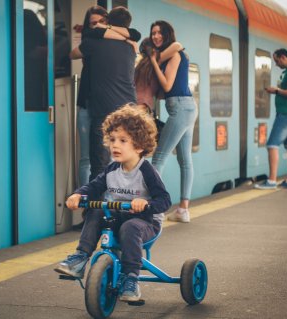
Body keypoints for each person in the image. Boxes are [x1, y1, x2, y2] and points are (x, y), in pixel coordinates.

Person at [54, 105, 171, 302]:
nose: (115, 145)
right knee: (96, 211)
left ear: (139, 146)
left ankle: (131, 278)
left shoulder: (147, 172)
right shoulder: (112, 169)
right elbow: (93, 187)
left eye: (123, 141)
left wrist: (146, 203)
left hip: (146, 222)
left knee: (130, 226)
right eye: (112, 140)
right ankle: (80, 258)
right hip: (118, 217)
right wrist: (78, 195)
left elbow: (165, 200)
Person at [76, 5, 141, 188]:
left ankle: (95, 210)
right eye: (93, 23)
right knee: (112, 159)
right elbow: (134, 35)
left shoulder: (97, 41)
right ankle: (109, 206)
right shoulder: (129, 46)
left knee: (100, 162)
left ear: (107, 22)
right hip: (120, 107)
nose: (97, 25)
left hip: (103, 109)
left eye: (101, 22)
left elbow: (72, 54)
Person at [148, 21, 198, 223]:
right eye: (153, 33)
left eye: (160, 32)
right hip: (184, 106)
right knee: (184, 159)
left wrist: (152, 61)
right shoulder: (169, 55)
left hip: (180, 107)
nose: (156, 36)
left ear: (168, 34)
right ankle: (183, 210)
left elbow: (168, 85)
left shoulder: (174, 53)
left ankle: (155, 209)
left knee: (158, 158)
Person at [254, 48, 287, 190]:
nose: (276, 64)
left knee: (272, 145)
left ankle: (271, 180)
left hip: (286, 114)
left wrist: (276, 90)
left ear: (283, 57)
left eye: (276, 61)